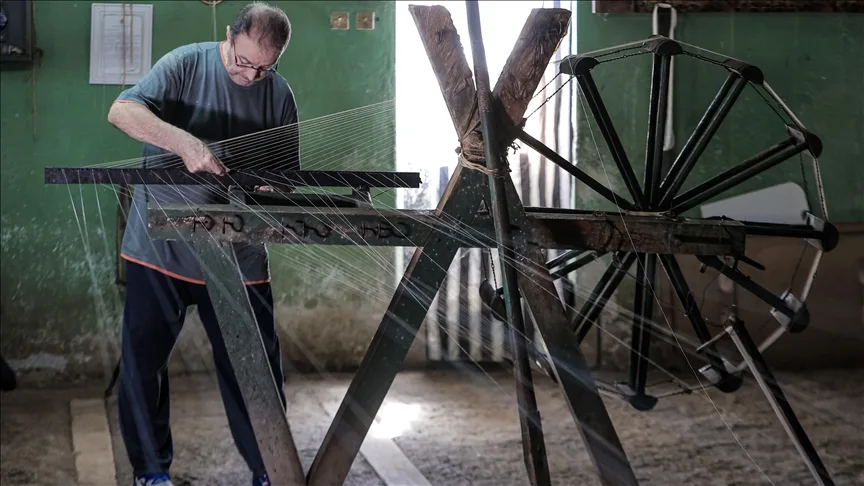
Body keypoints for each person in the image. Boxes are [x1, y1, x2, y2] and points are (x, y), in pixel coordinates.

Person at [106, 2, 299, 485]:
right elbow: (121, 110)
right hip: (160, 250)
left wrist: (275, 188)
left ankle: (267, 469)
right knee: (142, 367)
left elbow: (286, 178)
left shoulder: (278, 94)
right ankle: (150, 473)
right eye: (243, 62)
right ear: (229, 37)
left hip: (239, 256)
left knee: (254, 373)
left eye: (264, 68)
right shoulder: (185, 64)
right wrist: (187, 144)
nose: (251, 76)